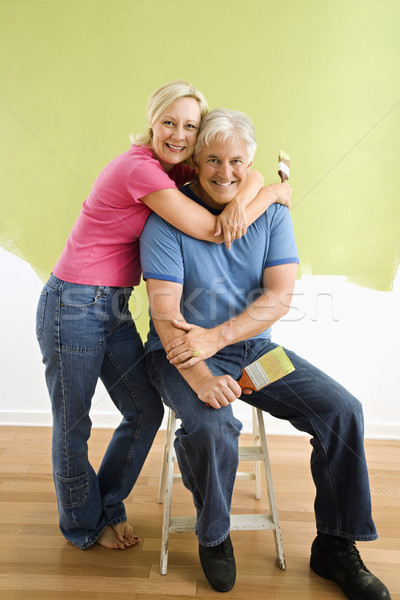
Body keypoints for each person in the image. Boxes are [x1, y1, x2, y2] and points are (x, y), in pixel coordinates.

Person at [141, 108, 391, 599]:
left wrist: (220, 337)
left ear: (250, 159)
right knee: (214, 425)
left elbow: (279, 297)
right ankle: (214, 535)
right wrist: (203, 361)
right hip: (180, 355)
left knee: (342, 411)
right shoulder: (167, 221)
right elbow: (168, 319)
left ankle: (336, 546)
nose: (225, 172)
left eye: (237, 161)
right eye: (212, 159)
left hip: (252, 352)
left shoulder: (271, 214)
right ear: (195, 160)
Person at [36, 80, 292, 552]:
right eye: (169, 122)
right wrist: (272, 196)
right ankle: (84, 526)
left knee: (143, 409)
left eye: (190, 126)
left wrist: (253, 191)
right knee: (73, 423)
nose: (178, 133)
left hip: (116, 307)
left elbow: (243, 170)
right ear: (151, 121)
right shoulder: (142, 171)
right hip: (73, 303)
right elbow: (217, 231)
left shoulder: (175, 170)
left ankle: (107, 506)